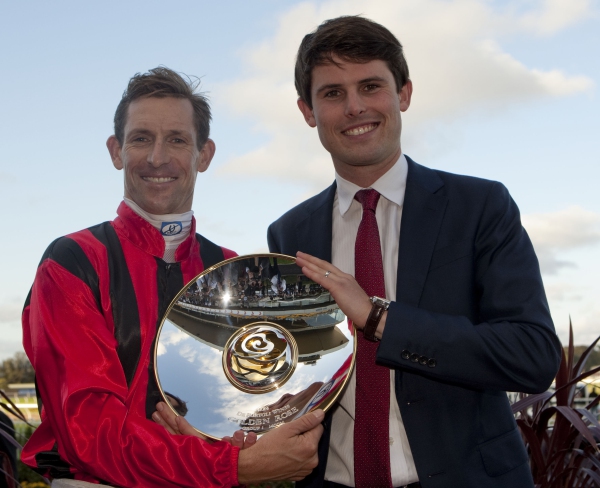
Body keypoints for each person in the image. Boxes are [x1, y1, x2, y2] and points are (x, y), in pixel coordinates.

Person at [267, 16, 562, 488]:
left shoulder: (480, 206)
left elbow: (533, 356)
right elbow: (298, 375)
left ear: (403, 93)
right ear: (308, 111)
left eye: (371, 86)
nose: (355, 107)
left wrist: (378, 318)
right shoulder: (289, 234)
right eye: (333, 93)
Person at [22, 67, 322, 487]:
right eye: (141, 138)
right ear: (116, 151)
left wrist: (251, 437)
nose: (157, 158)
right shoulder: (73, 261)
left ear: (204, 154)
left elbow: (248, 409)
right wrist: (228, 465)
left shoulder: (232, 268)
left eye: (177, 139)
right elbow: (88, 431)